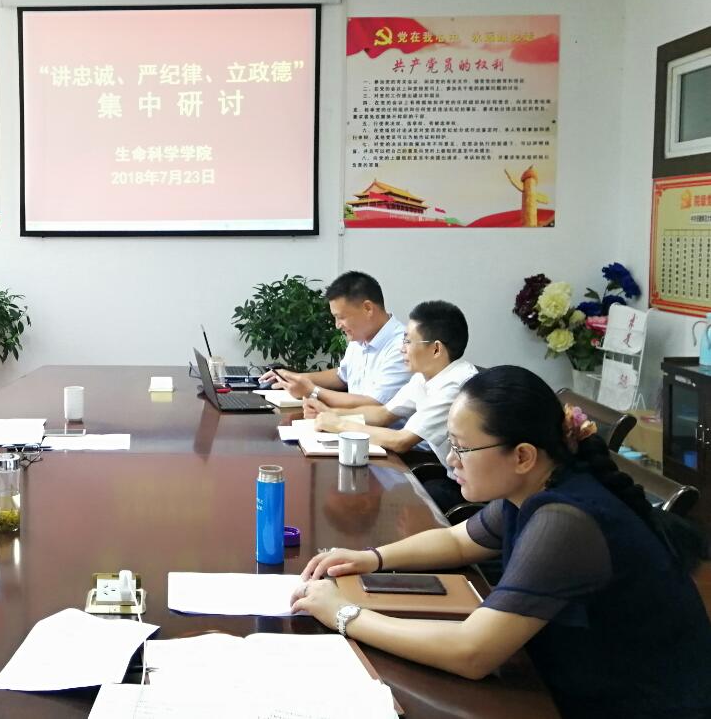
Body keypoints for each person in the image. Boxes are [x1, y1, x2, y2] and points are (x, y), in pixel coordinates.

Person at [291, 366, 711, 719]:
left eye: (462, 448)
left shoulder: (566, 522)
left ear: (523, 455)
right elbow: (458, 541)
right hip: (571, 680)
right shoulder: (534, 486)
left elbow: (471, 652)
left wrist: (344, 613)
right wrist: (370, 558)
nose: (451, 460)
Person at [307, 301, 477, 475]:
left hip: (462, 484)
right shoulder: (424, 377)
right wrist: (330, 412)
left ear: (436, 349)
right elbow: (383, 414)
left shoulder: (454, 386)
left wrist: (339, 424)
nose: (402, 349)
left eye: (408, 341)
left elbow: (401, 441)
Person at [260, 271, 409, 409]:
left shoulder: (403, 346)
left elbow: (374, 405)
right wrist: (291, 377)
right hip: (352, 424)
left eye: (341, 317)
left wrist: (312, 391)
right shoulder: (360, 337)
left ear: (368, 308)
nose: (337, 325)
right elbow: (341, 376)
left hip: (379, 428)